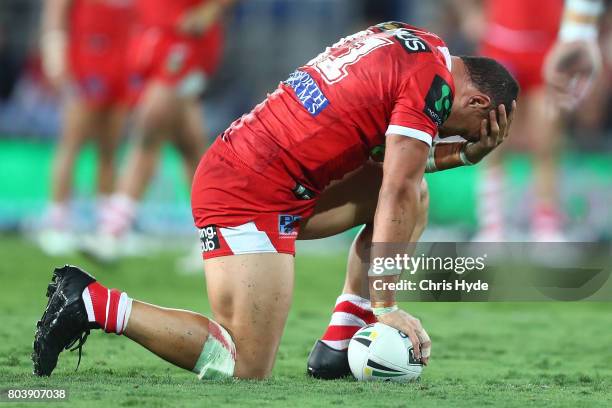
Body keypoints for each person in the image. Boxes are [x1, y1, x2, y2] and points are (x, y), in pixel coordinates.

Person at [33, 21, 517, 380]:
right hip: (247, 193)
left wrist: (463, 154)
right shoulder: (433, 87)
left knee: (414, 194)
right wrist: (386, 302)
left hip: (270, 173)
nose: (449, 135)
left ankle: (341, 341)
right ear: (477, 103)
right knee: (241, 364)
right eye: (476, 128)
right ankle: (93, 302)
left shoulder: (418, 44)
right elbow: (397, 184)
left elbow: (388, 163)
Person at [83, 0, 234, 262]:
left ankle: (113, 231)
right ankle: (218, 234)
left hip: (182, 42)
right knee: (191, 147)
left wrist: (208, 11)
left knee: (147, 129)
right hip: (156, 36)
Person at [457, 0, 604, 242]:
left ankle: (546, 226)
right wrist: (470, 14)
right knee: (493, 137)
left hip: (549, 48)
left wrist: (583, 32)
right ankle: (493, 226)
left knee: (546, 139)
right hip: (502, 47)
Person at [37, 0, 133, 255]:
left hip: (122, 59)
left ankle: (106, 225)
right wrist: (54, 57)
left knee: (110, 147)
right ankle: (57, 222)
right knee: (72, 141)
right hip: (87, 58)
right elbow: (55, 14)